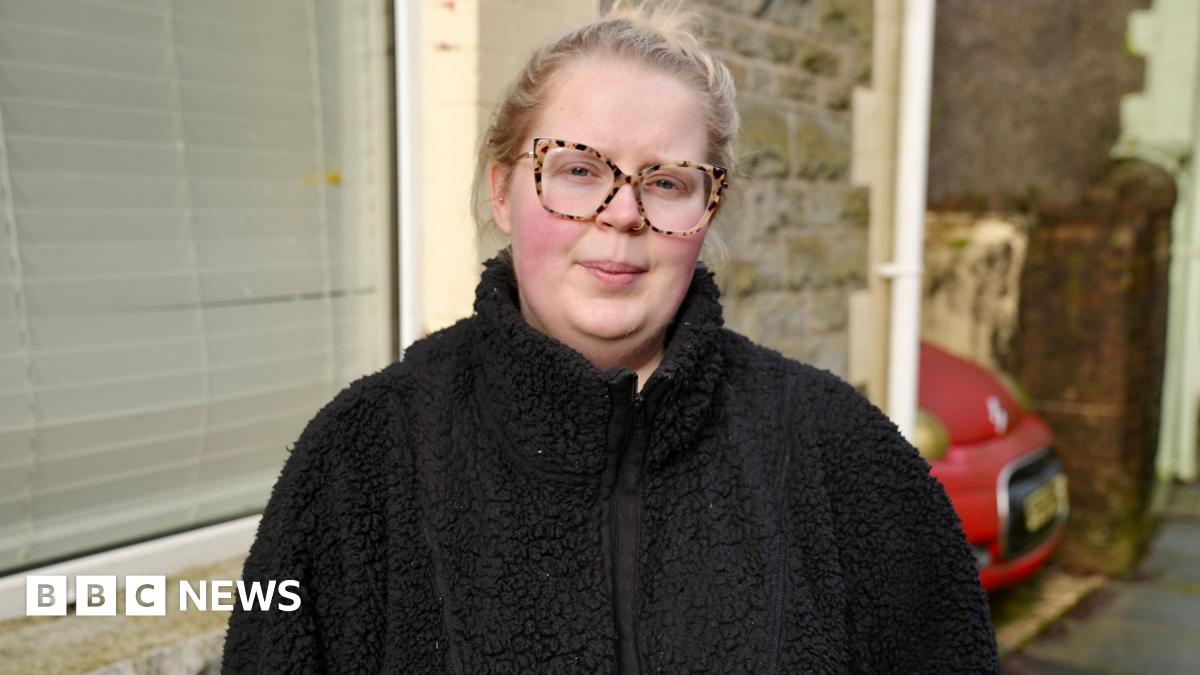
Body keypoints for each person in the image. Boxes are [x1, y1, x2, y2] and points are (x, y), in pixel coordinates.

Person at [221, 2, 1000, 673]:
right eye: (578, 170)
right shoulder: (360, 461)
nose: (623, 213)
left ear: (706, 212)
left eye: (666, 181)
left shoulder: (840, 455)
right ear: (502, 189)